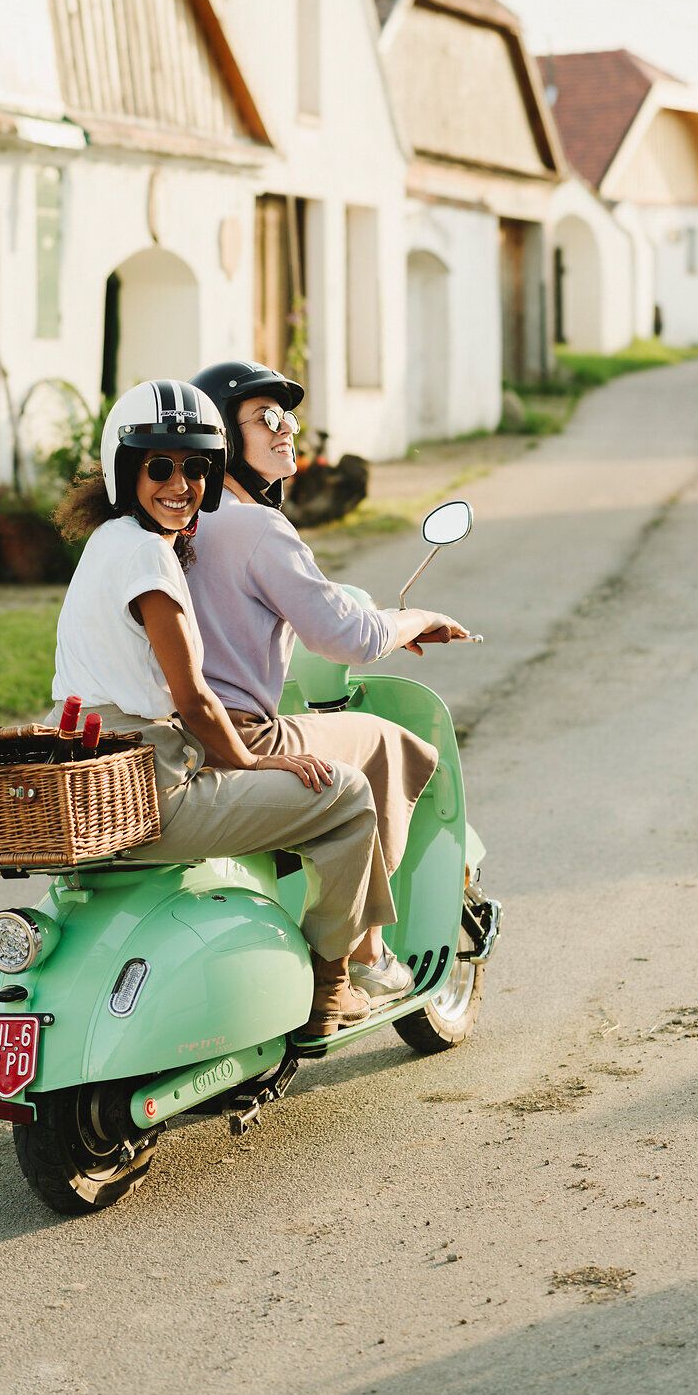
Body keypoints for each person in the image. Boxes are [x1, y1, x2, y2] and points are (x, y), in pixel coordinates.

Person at [50, 378, 392, 1038]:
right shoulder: (149, 558)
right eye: (159, 467)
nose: (180, 484)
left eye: (196, 468)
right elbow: (192, 699)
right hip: (157, 789)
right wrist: (251, 763)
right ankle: (333, 984)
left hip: (104, 776)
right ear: (126, 471)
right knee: (347, 795)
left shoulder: (108, 543)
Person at [188, 360, 469, 1001]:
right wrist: (417, 617)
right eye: (265, 418)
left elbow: (297, 602)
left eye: (287, 416)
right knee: (384, 743)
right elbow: (347, 637)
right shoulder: (256, 526)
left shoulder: (182, 523)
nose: (286, 430)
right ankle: (361, 955)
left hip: (182, 733)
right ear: (226, 440)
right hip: (244, 736)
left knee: (342, 743)